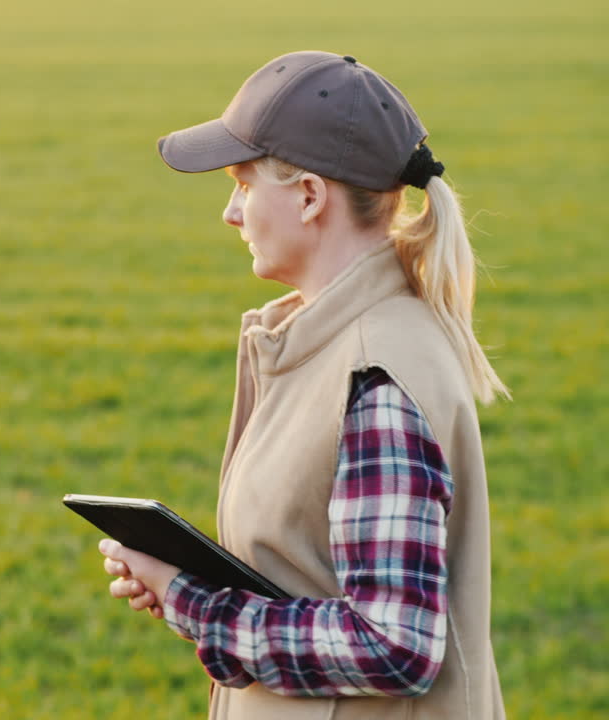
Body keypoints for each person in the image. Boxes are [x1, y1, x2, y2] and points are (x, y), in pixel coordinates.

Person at [95, 51, 508, 719]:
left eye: (243, 184)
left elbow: (392, 643)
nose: (230, 212)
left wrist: (190, 602)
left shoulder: (375, 375)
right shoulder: (329, 341)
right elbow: (313, 571)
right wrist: (197, 580)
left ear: (310, 196)